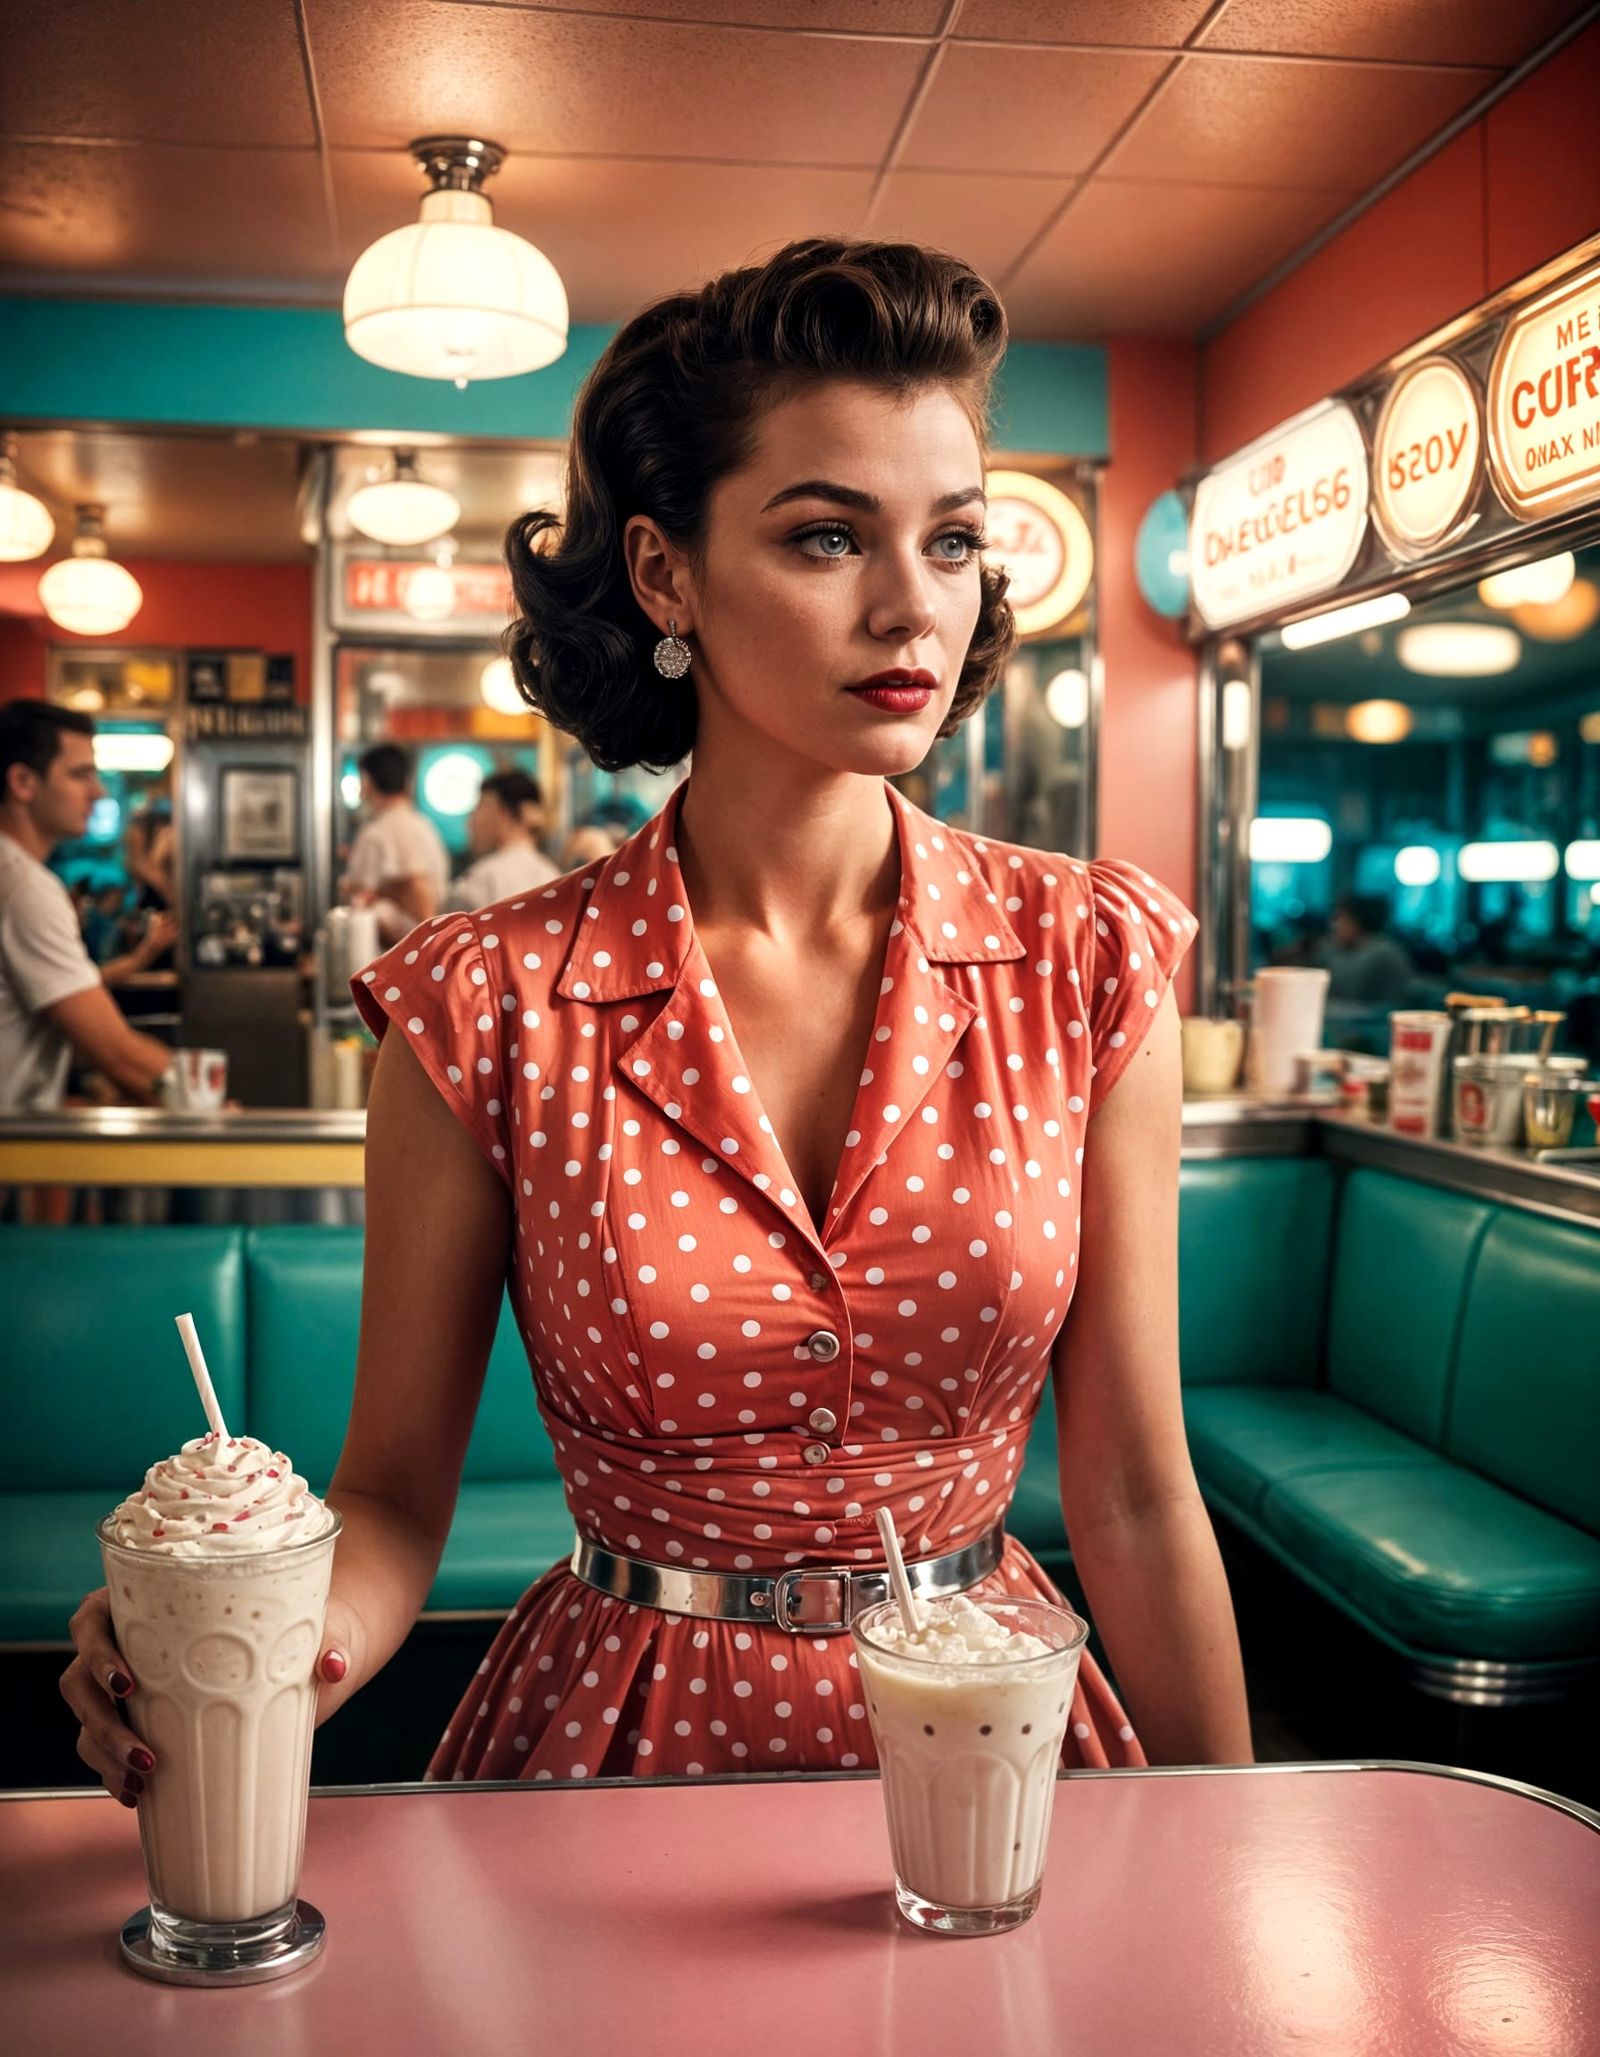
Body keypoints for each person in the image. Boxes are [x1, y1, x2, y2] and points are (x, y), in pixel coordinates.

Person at [62, 239, 1251, 1807]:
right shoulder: (483, 1004)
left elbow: (1135, 1491)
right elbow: (395, 1498)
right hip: (624, 1737)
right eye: (827, 536)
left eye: (954, 540)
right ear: (664, 573)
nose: (913, 604)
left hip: (996, 1734)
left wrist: (1242, 1831)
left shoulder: (1085, 962)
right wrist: (261, 1646)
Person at [0, 702, 177, 1112]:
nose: (98, 792)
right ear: (23, 782)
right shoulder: (25, 888)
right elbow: (117, 1053)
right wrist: (205, 1101)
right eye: (81, 774)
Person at [341, 741, 449, 946]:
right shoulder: (424, 826)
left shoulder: (377, 831)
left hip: (398, 951)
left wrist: (350, 889)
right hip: (431, 943)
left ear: (367, 781)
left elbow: (412, 892)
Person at [443, 769, 558, 909]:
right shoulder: (553, 875)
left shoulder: (483, 880)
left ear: (504, 815)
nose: (470, 822)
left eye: (480, 807)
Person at [1323, 894, 1413, 1006]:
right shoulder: (1336, 950)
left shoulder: (1384, 955)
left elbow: (1387, 1005)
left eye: (1341, 918)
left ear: (1358, 921)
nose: (1335, 925)